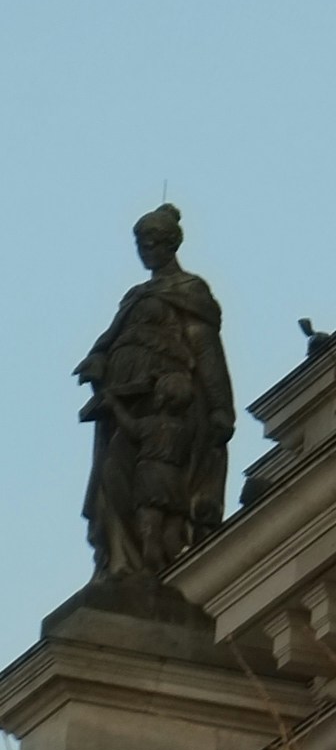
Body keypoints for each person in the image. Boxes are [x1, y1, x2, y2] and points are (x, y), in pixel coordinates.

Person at [77, 207, 236, 590]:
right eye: (140, 243)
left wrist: (219, 408)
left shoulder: (189, 291)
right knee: (112, 478)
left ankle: (151, 560)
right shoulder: (136, 296)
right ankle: (119, 562)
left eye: (151, 242)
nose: (145, 250)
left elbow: (205, 349)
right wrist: (98, 361)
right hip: (123, 406)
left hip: (167, 403)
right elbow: (110, 338)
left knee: (151, 480)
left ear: (170, 243)